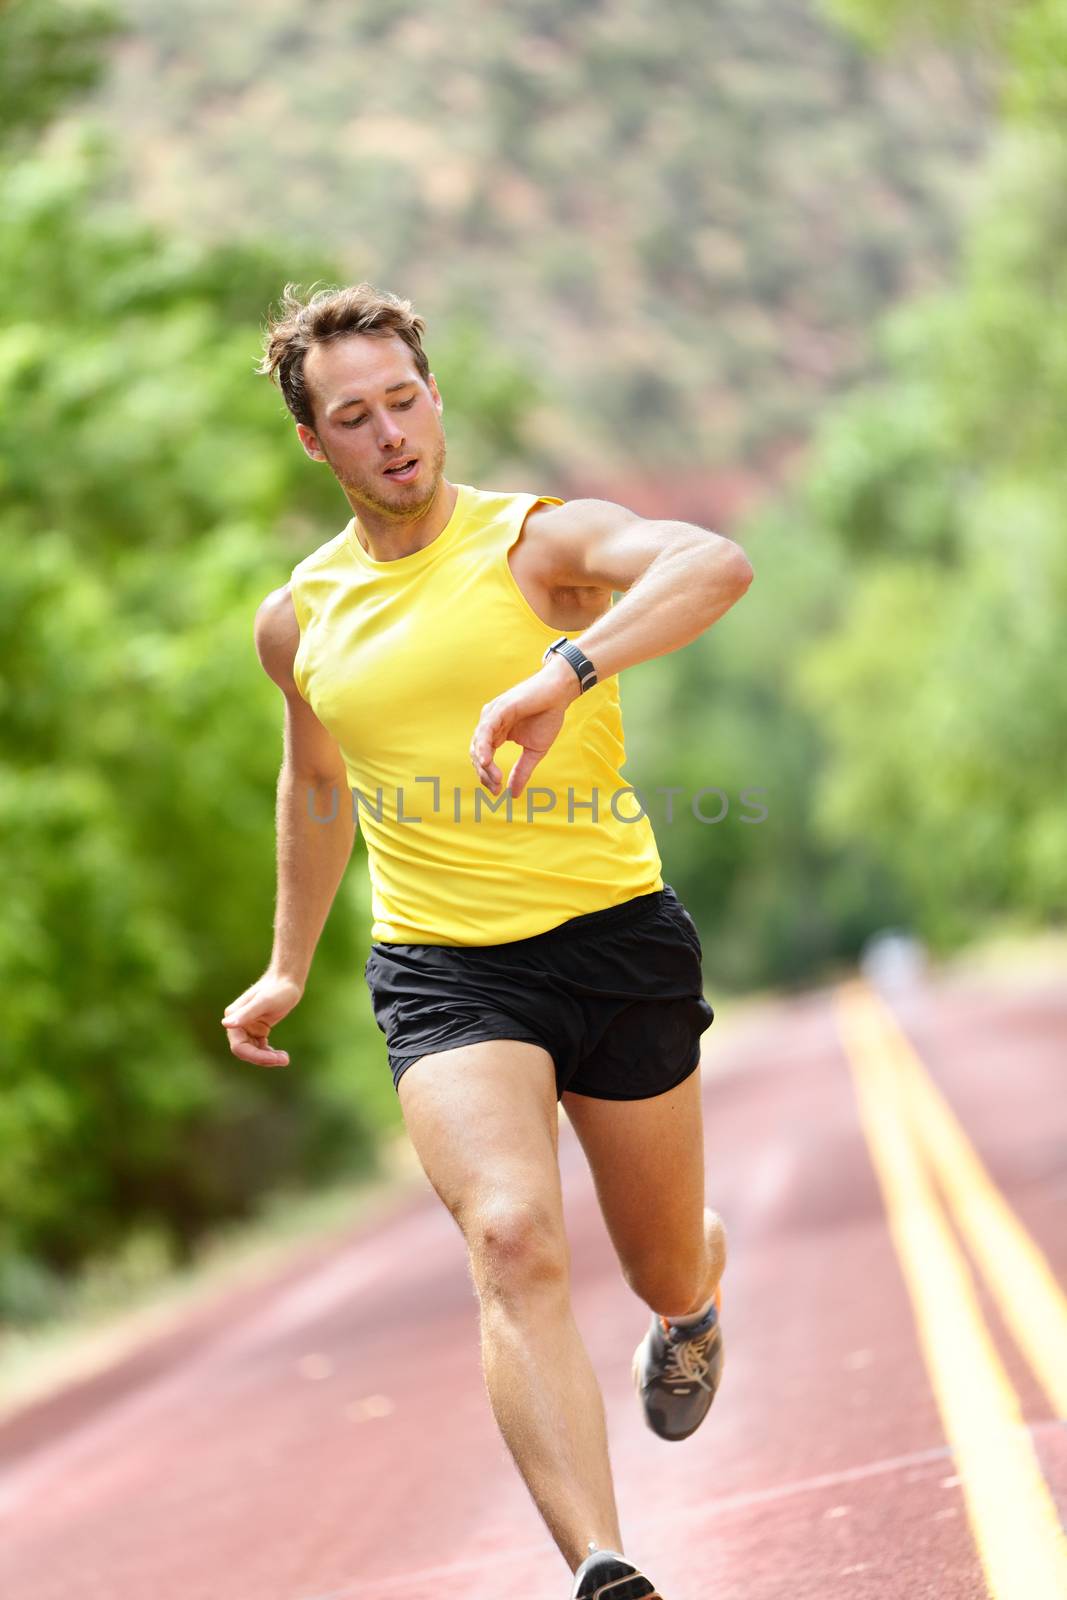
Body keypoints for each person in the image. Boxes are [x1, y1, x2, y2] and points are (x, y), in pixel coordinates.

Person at [222, 283, 753, 1600]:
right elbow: (316, 784)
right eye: (354, 416)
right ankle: (605, 1564)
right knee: (512, 1237)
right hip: (446, 969)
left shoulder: (538, 544)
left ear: (434, 398)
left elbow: (714, 564)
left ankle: (695, 1297)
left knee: (659, 1259)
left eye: (405, 399)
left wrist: (563, 670)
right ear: (315, 442)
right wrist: (288, 961)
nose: (391, 432)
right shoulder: (302, 617)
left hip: (615, 936)